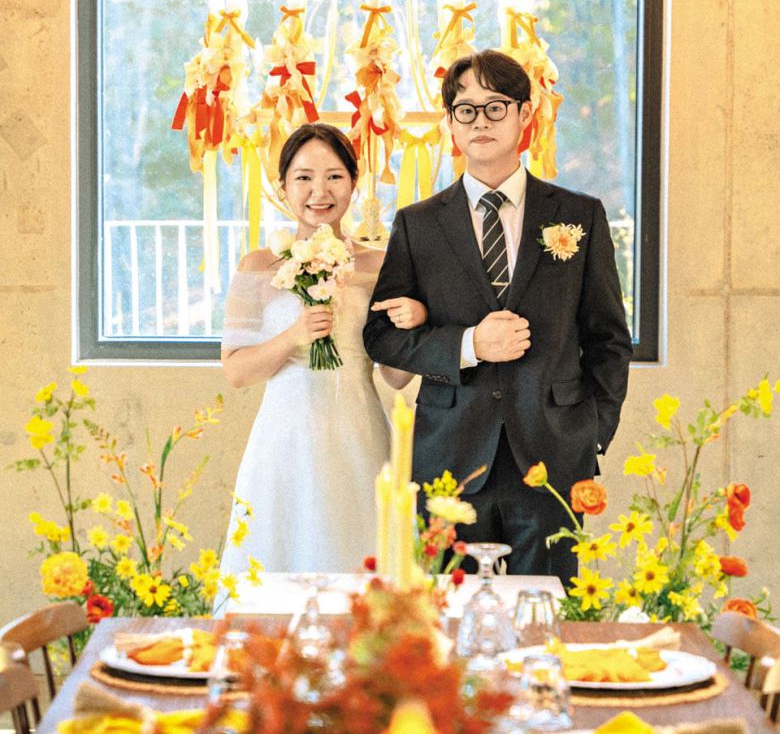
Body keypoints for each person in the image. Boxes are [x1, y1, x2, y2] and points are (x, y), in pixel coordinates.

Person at [363, 50, 633, 584]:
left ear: (525, 114)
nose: (480, 121)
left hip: (553, 451)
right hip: (449, 453)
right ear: (450, 124)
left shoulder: (578, 215)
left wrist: (592, 430)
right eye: (465, 110)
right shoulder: (418, 224)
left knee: (546, 611)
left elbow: (608, 338)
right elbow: (382, 338)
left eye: (495, 107)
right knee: (445, 621)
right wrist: (466, 345)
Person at [218, 122, 426, 576]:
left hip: (359, 430)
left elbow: (394, 375)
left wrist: (415, 324)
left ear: (353, 183)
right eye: (304, 177)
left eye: (334, 176)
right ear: (282, 186)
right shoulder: (258, 266)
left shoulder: (380, 264)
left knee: (363, 555)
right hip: (284, 438)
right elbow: (236, 371)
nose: (319, 191)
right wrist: (294, 335)